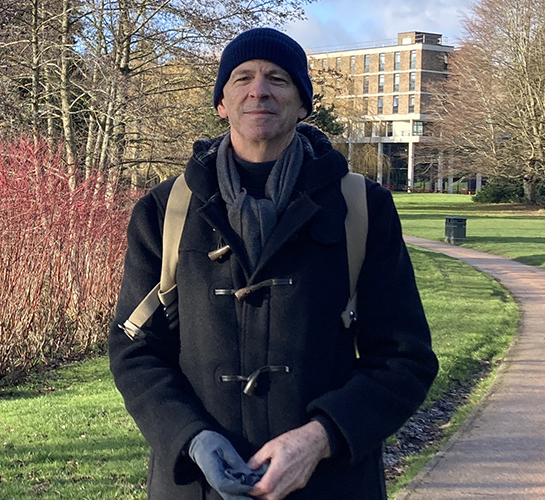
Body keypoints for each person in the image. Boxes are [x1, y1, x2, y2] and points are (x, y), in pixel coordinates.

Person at [108, 28, 438, 500]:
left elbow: (406, 359)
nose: (258, 89)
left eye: (277, 79)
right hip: (196, 485)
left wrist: (320, 438)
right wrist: (191, 438)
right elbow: (134, 349)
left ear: (303, 104)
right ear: (222, 102)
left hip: (329, 484)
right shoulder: (164, 211)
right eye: (242, 77)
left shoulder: (362, 207)